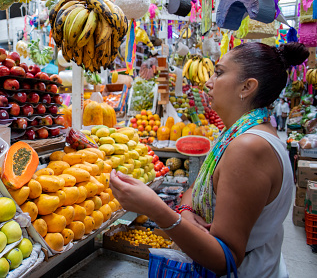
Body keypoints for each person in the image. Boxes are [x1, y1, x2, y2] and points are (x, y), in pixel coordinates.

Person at [110, 42, 308, 277]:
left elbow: (225, 259)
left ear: (247, 86)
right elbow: (196, 187)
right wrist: (184, 210)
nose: (208, 82)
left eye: (220, 72)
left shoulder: (248, 147)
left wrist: (155, 208)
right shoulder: (239, 133)